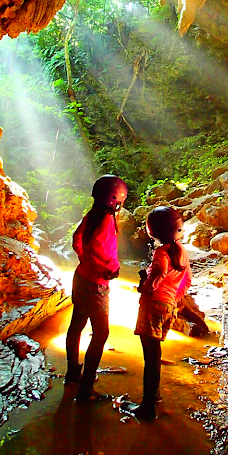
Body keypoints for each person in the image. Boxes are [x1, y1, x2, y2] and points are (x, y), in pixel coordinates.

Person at [120, 206, 192, 420]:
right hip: (168, 306)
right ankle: (155, 397)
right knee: (155, 354)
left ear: (153, 231)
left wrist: (147, 286)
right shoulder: (181, 251)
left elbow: (159, 271)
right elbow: (186, 280)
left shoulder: (162, 252)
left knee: (150, 357)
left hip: (153, 305)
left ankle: (147, 408)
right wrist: (174, 300)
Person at [65, 174, 128, 403]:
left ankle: (73, 374)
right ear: (115, 199)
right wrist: (111, 268)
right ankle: (87, 390)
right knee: (101, 333)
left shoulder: (92, 214)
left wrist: (83, 259)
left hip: (81, 278)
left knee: (76, 326)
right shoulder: (106, 219)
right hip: (95, 285)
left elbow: (77, 239)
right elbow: (100, 248)